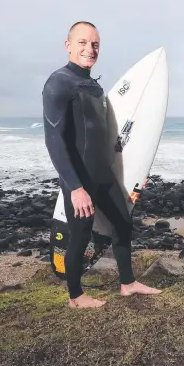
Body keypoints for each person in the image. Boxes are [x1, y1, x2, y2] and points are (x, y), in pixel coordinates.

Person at [42, 21, 162, 309]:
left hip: (103, 175)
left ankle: (128, 283)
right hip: (79, 178)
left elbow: (109, 138)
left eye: (94, 44)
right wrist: (75, 188)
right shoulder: (58, 83)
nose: (89, 48)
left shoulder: (94, 87)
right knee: (80, 235)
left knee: (123, 221)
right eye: (82, 42)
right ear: (68, 44)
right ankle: (75, 296)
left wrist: (133, 171)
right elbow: (55, 141)